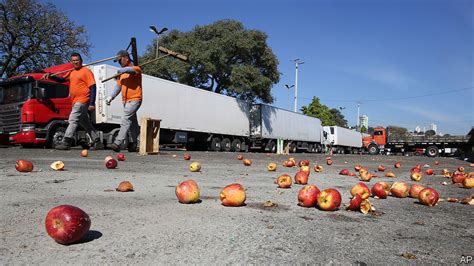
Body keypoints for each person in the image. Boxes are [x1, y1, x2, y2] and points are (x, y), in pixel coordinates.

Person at [43, 53, 103, 150]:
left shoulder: (86, 71)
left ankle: (66, 142)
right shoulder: (71, 72)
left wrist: (92, 103)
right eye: (73, 60)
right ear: (71, 62)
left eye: (77, 60)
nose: (75, 62)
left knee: (73, 119)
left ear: (81, 61)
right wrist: (50, 76)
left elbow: (93, 87)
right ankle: (97, 141)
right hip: (75, 101)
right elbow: (61, 80)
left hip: (83, 100)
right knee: (85, 123)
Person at [105, 50, 142, 152]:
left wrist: (123, 70)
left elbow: (131, 70)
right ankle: (137, 143)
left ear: (126, 57)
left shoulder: (136, 69)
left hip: (135, 99)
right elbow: (118, 87)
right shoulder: (122, 73)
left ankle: (117, 142)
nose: (119, 63)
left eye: (120, 60)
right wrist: (111, 97)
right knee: (133, 123)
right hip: (126, 101)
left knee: (125, 119)